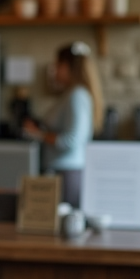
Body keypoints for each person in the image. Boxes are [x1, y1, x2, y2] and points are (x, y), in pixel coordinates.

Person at [21, 41, 105, 207]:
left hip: (67, 175)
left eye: (57, 64)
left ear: (67, 67)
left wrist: (37, 133)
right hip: (63, 172)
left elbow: (72, 140)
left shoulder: (77, 96)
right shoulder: (71, 94)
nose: (54, 69)